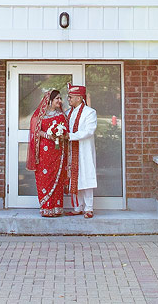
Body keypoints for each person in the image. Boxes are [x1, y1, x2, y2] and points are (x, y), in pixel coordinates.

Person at [26, 88, 69, 217]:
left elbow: (66, 132)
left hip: (57, 151)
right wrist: (47, 134)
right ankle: (46, 207)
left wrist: (60, 134)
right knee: (45, 177)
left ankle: (56, 208)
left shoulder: (61, 115)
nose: (60, 101)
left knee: (58, 177)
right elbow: (35, 131)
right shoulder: (39, 116)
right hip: (44, 152)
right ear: (50, 101)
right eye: (57, 99)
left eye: (60, 99)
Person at [66, 84, 98, 218]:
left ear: (79, 98)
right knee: (74, 177)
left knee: (86, 177)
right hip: (71, 151)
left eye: (70, 97)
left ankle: (89, 208)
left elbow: (89, 131)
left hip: (84, 150)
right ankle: (77, 207)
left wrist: (70, 136)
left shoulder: (89, 112)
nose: (68, 99)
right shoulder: (69, 113)